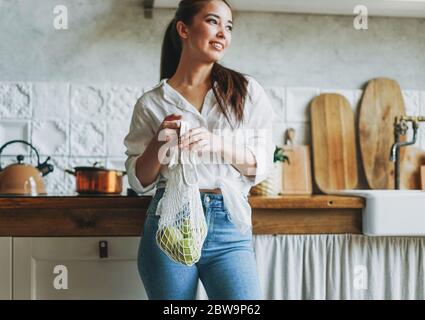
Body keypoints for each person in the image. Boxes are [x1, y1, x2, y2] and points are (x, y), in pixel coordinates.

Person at [124, 0, 275, 300]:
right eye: (212, 21)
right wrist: (159, 141)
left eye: (228, 26)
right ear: (183, 28)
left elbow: (261, 166)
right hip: (169, 221)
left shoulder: (246, 91)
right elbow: (138, 181)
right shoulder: (152, 103)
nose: (223, 33)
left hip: (229, 228)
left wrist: (218, 144)